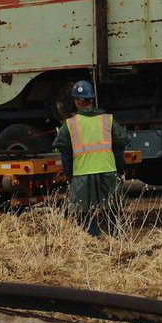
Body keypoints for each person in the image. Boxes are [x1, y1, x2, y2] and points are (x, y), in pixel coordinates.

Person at [52, 80, 129, 237]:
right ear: (92, 100)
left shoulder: (70, 125)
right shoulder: (108, 120)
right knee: (113, 210)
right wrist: (121, 170)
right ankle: (116, 242)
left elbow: (65, 155)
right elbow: (119, 147)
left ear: (76, 101)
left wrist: (69, 177)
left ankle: (92, 241)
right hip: (108, 171)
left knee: (84, 213)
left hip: (82, 175)